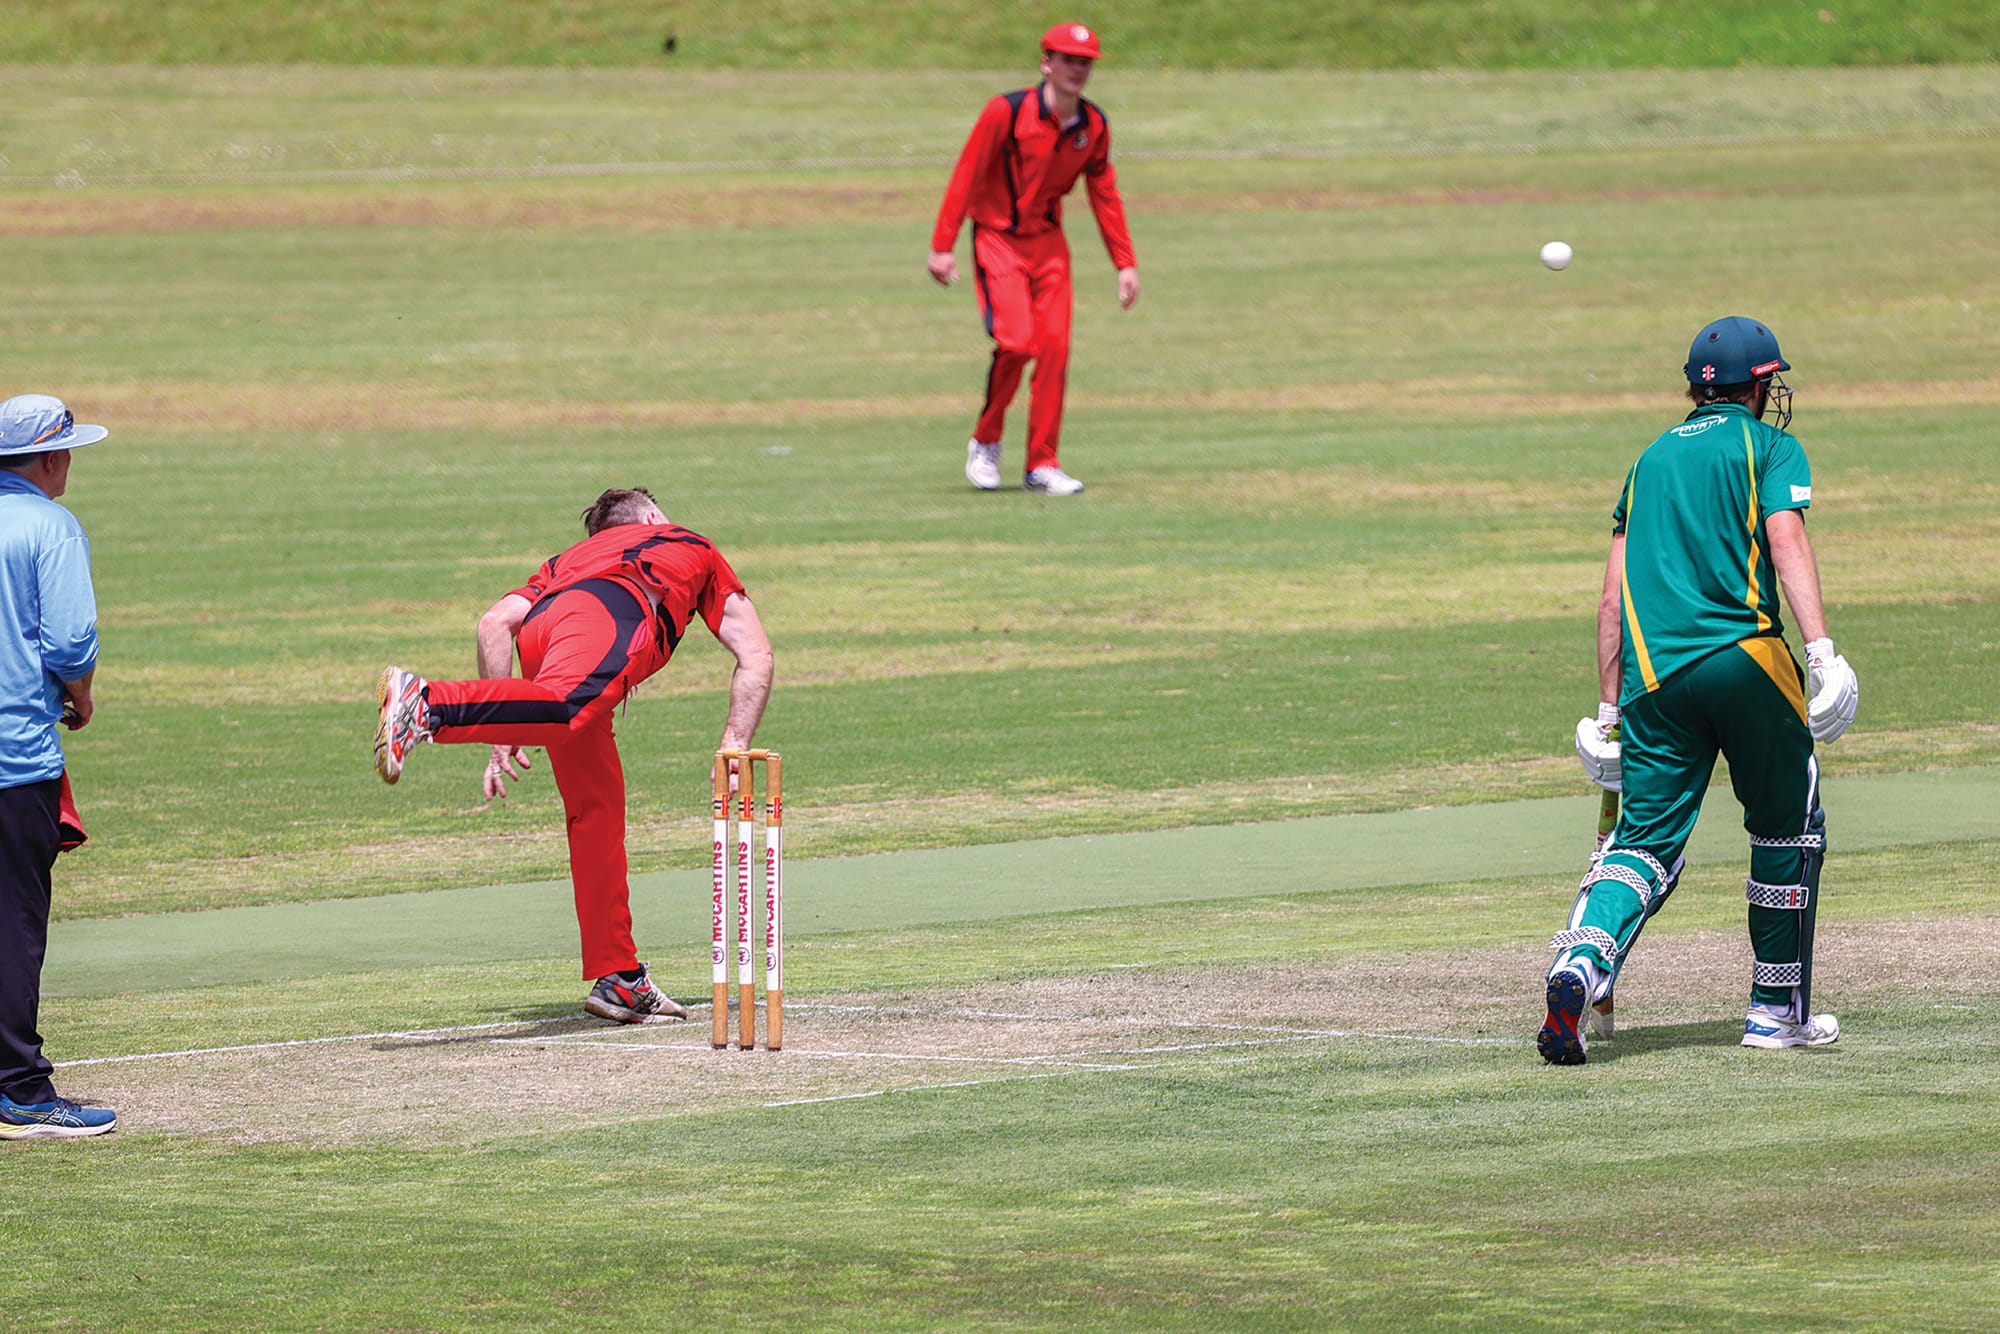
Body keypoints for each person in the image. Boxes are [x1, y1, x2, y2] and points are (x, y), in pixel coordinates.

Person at [1539, 317, 1859, 1065]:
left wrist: (1607, 712)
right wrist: (1822, 654)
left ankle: (1578, 965)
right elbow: (1786, 541)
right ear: (1761, 385)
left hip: (1655, 681)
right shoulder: (1769, 446)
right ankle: (1775, 1011)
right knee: (1787, 828)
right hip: (1746, 660)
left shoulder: (1646, 462)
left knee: (1642, 844)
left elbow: (1613, 601)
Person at [373, 487, 774, 1025]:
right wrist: (734, 743)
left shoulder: (563, 561)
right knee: (564, 707)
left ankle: (621, 980)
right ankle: (426, 704)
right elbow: (756, 653)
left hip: (545, 627)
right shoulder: (686, 543)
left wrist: (501, 728)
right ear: (652, 518)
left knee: (596, 810)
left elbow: (495, 623)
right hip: (610, 609)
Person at [927, 21, 1140, 497]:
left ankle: (1042, 463)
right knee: (1017, 342)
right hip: (998, 240)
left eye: (1085, 62)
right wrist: (943, 245)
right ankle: (986, 439)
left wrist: (1124, 262)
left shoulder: (1093, 125)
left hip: (1049, 246)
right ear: (1046, 63)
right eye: (1067, 60)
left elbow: (1104, 193)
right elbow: (967, 174)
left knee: (1056, 351)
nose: (1077, 70)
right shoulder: (1005, 112)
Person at [0, 394, 117, 1139]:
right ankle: (21, 1092)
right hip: (15, 760)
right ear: (48, 458)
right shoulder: (49, 526)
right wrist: (81, 697)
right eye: (68, 449)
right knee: (13, 926)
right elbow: (70, 644)